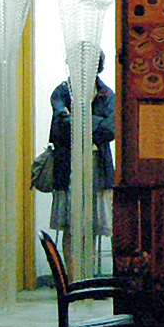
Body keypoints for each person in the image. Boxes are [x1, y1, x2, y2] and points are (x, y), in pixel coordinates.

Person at [48, 54, 115, 237]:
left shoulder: (107, 94)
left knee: (93, 225)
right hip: (68, 164)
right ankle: (71, 267)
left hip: (97, 164)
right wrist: (95, 123)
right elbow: (60, 127)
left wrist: (76, 119)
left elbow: (110, 130)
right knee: (70, 226)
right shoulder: (61, 92)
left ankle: (89, 265)